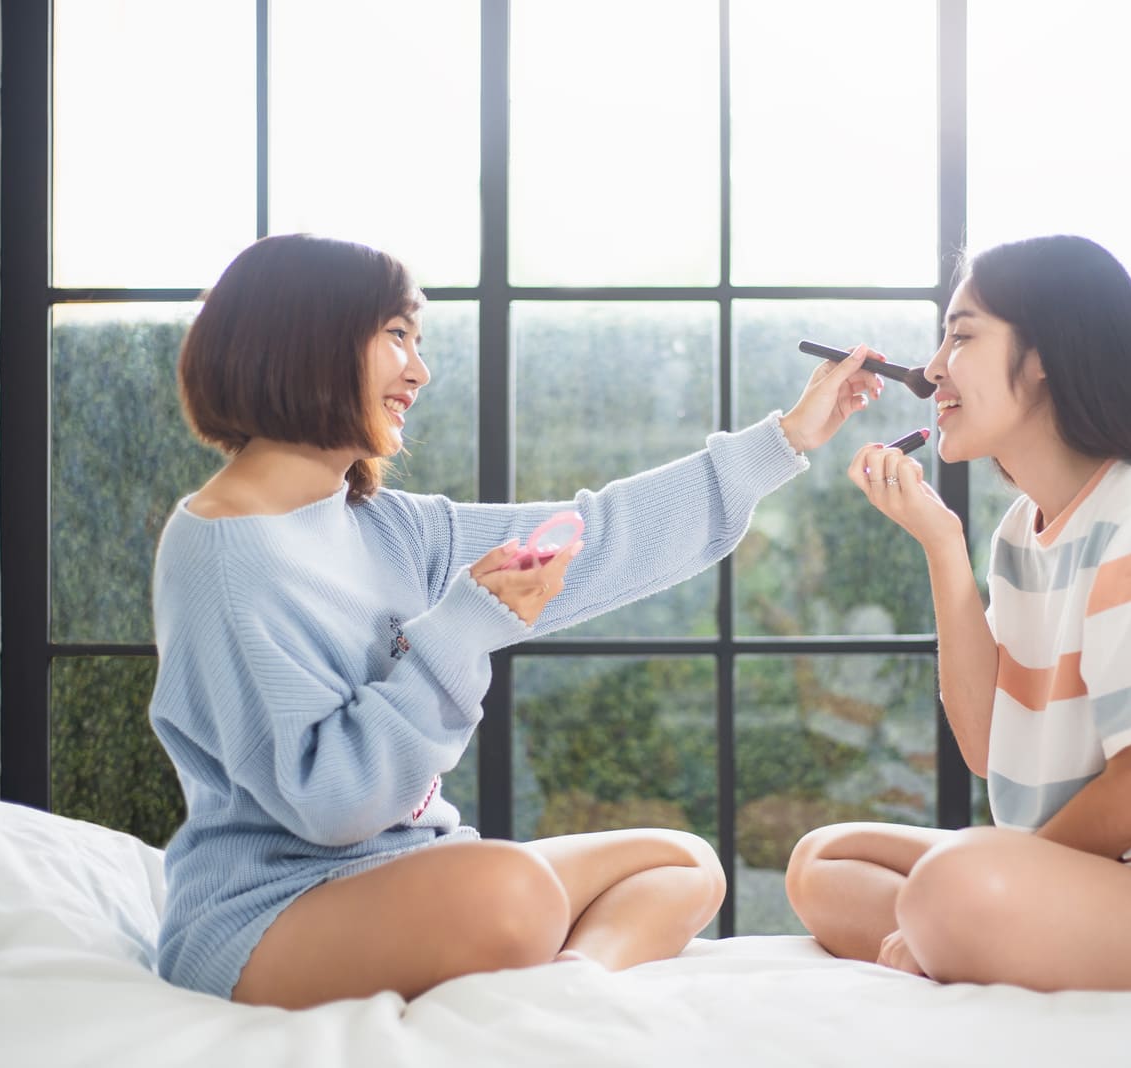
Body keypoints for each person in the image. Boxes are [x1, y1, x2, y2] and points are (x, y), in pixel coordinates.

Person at [149, 233, 883, 1009]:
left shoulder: (386, 525)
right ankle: (534, 952)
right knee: (510, 891)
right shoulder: (221, 552)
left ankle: (576, 985)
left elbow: (598, 537)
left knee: (682, 863)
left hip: (415, 876)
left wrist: (784, 441)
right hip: (269, 917)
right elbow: (333, 804)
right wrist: (466, 626)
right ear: (306, 336)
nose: (419, 371)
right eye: (398, 335)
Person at [783, 234, 1131, 991]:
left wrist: (996, 876)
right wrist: (942, 545)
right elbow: (985, 747)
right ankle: (955, 931)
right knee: (824, 860)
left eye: (962, 336)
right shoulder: (1019, 533)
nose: (933, 369)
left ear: (1045, 358)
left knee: (952, 887)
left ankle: (953, 928)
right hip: (1076, 878)